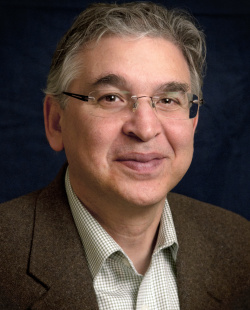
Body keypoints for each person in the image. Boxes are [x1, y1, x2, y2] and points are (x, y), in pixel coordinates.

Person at [0, 2, 249, 309]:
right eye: (111, 98)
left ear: (193, 123)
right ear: (56, 122)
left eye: (169, 100)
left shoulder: (241, 245)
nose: (145, 129)